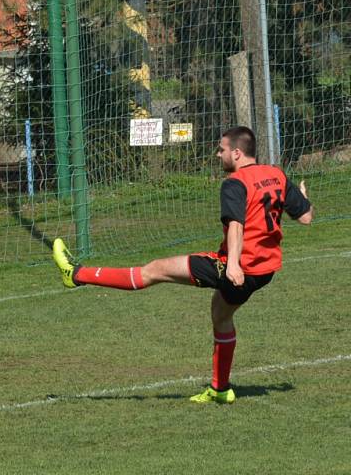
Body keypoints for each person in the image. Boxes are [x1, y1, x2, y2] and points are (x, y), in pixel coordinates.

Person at [52, 126, 313, 404]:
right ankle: (220, 389)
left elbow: (236, 226)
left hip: (236, 266)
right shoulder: (276, 174)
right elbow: (306, 217)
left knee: (154, 270)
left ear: (237, 153)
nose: (217, 154)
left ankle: (76, 274)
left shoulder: (235, 183)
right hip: (264, 271)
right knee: (221, 316)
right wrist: (303, 197)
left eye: (221, 149)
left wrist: (234, 265)